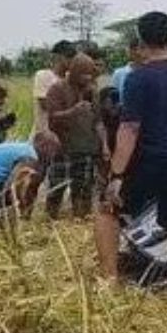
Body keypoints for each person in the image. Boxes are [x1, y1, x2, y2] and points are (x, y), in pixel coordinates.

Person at [96, 12, 167, 286]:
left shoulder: (138, 78)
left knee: (107, 209)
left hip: (150, 163)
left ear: (140, 40)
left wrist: (116, 175)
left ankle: (108, 281)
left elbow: (129, 129)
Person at [43, 54, 106, 219]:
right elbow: (52, 117)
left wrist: (104, 145)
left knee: (84, 188)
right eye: (84, 74)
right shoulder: (57, 89)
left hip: (86, 147)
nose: (87, 78)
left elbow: (98, 121)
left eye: (90, 74)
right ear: (73, 72)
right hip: (63, 148)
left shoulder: (92, 91)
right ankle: (50, 220)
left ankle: (81, 220)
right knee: (57, 187)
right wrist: (74, 111)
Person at [33, 41, 77, 134]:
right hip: (45, 134)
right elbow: (45, 104)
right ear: (58, 57)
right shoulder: (43, 75)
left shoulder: (71, 79)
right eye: (69, 56)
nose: (72, 60)